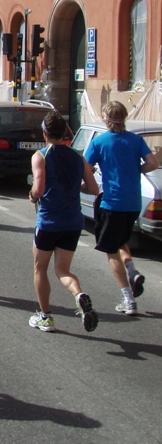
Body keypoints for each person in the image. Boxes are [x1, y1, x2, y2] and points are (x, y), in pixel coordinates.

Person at [84, 101, 159, 316]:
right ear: (124, 117)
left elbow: (86, 168)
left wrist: (91, 178)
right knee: (121, 241)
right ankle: (133, 271)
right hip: (133, 203)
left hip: (112, 202)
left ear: (106, 118)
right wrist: (137, 169)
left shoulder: (99, 142)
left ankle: (128, 299)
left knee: (110, 250)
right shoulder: (136, 140)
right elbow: (153, 163)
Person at [28, 111, 100, 333]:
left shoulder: (40, 155)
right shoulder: (78, 157)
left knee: (40, 268)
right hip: (72, 222)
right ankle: (79, 295)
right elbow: (93, 189)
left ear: (44, 133)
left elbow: (38, 189)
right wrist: (73, 187)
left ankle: (46, 317)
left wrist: (31, 194)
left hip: (49, 221)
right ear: (64, 133)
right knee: (63, 270)